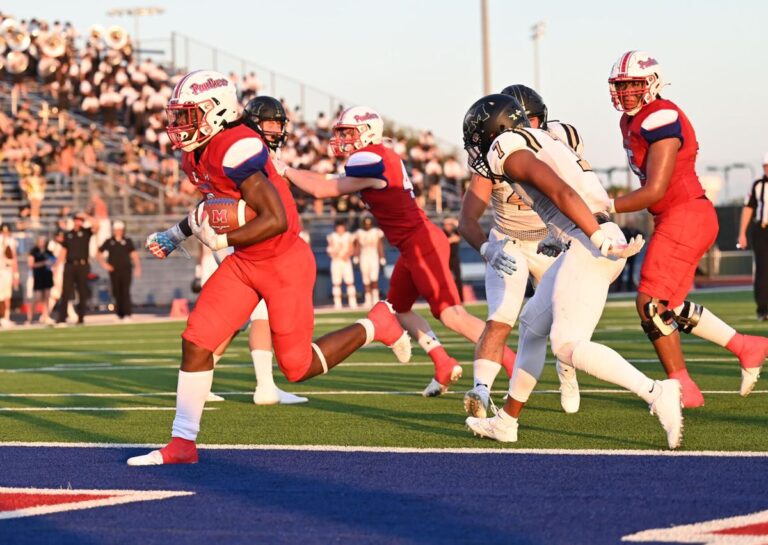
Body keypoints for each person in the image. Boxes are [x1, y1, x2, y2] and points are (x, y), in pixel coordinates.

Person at [128, 71, 408, 466]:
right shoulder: (196, 153)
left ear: (215, 112)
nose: (177, 126)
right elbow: (216, 208)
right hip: (247, 263)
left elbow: (274, 217)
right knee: (197, 340)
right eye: (177, 116)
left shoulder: (235, 147)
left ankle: (376, 324)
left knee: (296, 367)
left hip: (282, 261)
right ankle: (183, 443)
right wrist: (177, 234)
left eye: (187, 116)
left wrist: (223, 240)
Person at [461, 93, 683, 449]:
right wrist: (573, 234)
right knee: (532, 325)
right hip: (585, 234)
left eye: (477, 136)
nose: (476, 147)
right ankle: (506, 422)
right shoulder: (546, 136)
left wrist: (595, 235)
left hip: (590, 237)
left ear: (495, 129)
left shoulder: (507, 146)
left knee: (566, 345)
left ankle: (657, 392)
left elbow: (561, 191)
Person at [277, 105, 519, 397]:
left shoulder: (371, 158)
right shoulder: (377, 157)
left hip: (421, 242)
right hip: (412, 244)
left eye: (348, 132)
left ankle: (511, 362)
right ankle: (442, 363)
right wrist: (288, 171)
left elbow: (322, 191)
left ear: (367, 132)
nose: (341, 138)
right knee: (398, 309)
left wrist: (286, 170)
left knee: (452, 315)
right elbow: (327, 183)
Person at [606, 50, 767, 405]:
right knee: (669, 306)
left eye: (633, 84)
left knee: (649, 303)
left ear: (652, 83)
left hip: (685, 214)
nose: (626, 92)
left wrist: (605, 204)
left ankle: (682, 386)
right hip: (679, 216)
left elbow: (655, 189)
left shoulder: (660, 115)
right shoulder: (631, 121)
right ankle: (747, 346)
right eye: (620, 85)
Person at [460, 84, 584, 417]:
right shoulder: (490, 154)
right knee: (501, 316)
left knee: (564, 318)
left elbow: (577, 188)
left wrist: (571, 231)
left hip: (551, 240)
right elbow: (467, 218)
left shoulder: (563, 139)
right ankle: (481, 391)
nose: (525, 128)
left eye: (530, 119)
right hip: (510, 242)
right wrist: (488, 248)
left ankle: (567, 373)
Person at [737, 152, 768, 320]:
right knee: (763, 269)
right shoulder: (757, 184)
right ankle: (763, 309)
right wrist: (742, 233)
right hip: (762, 230)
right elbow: (748, 208)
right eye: (765, 166)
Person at [97, 220, 141, 321]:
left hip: (126, 270)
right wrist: (104, 264)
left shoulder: (127, 241)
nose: (118, 232)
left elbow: (134, 254)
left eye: (120, 230)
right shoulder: (109, 241)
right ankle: (119, 313)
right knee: (116, 291)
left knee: (125, 291)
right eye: (116, 230)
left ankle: (127, 313)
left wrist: (138, 267)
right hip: (114, 270)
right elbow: (99, 252)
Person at [56, 212, 93, 326]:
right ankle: (62, 318)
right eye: (76, 220)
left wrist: (86, 216)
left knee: (82, 291)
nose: (78, 222)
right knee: (65, 292)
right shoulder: (68, 234)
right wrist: (57, 265)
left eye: (80, 220)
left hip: (82, 265)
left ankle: (81, 317)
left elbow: (97, 225)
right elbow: (64, 250)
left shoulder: (86, 232)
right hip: (70, 265)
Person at [353, 216, 385, 308]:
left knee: (374, 278)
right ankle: (368, 299)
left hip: (373, 256)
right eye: (366, 224)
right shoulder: (359, 233)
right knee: (365, 279)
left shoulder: (376, 232)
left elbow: (379, 245)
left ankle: (375, 298)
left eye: (369, 224)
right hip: (364, 256)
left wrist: (381, 256)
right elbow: (358, 245)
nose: (367, 226)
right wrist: (356, 256)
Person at [326, 220, 357, 310]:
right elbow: (329, 248)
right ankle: (337, 303)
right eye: (338, 227)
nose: (340, 229)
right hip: (336, 261)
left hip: (346, 261)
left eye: (341, 227)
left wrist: (347, 255)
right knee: (336, 283)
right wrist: (333, 254)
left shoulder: (348, 236)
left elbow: (352, 248)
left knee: (349, 282)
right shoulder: (332, 236)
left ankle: (352, 302)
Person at [27, 235, 55, 325]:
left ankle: (45, 316)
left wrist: (52, 263)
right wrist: (43, 263)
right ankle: (30, 317)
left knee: (46, 297)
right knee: (37, 297)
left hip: (47, 275)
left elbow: (54, 261)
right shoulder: (33, 252)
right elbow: (31, 264)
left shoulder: (48, 252)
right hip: (38, 276)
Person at [0, 224, 20, 328]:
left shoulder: (11, 241)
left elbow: (14, 258)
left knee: (7, 295)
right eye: (3, 232)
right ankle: (2, 317)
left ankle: (6, 317)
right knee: (1, 295)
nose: (5, 234)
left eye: (6, 232)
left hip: (7, 270)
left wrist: (16, 274)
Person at [442, 217, 463, 302]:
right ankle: (446, 298)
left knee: (458, 278)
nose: (448, 226)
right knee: (446, 279)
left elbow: (462, 232)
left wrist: (456, 222)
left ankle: (461, 299)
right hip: (446, 259)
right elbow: (442, 242)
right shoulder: (443, 233)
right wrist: (450, 240)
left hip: (455, 259)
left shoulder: (455, 232)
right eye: (447, 224)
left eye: (450, 225)